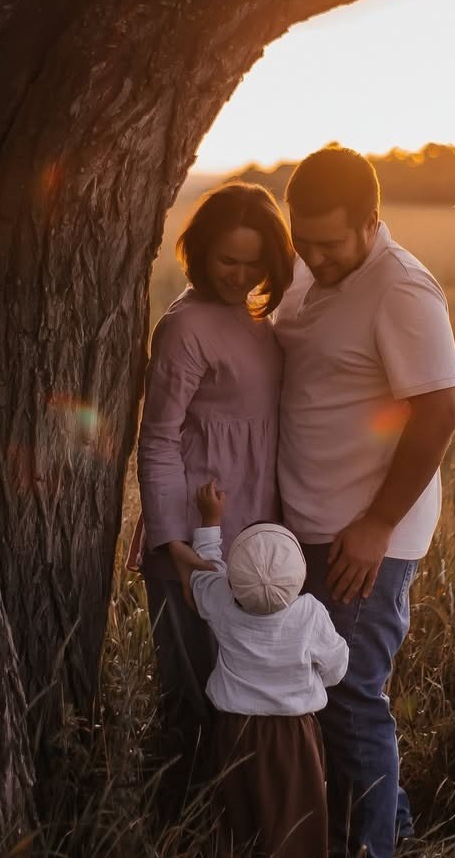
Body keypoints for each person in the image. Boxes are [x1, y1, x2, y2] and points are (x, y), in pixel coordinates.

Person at [274, 146, 455, 858]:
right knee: (322, 693)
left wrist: (376, 524)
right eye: (304, 239)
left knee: (350, 699)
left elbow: (440, 413)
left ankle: (370, 848)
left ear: (370, 223)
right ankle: (392, 826)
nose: (314, 255)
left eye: (329, 243)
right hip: (307, 527)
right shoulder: (309, 272)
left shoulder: (401, 288)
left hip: (363, 536)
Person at [136, 181, 293, 785]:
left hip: (253, 532)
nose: (241, 273)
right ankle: (177, 822)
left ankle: (235, 815)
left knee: (242, 687)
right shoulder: (186, 327)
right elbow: (158, 439)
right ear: (201, 250)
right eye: (229, 259)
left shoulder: (256, 315)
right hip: (194, 543)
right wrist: (170, 539)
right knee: (192, 693)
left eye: (256, 261)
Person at [190, 480, 349, 858]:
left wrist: (210, 522)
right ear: (299, 576)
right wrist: (311, 679)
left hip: (235, 732)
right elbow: (337, 667)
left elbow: (203, 572)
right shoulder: (309, 612)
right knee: (296, 824)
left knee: (238, 821)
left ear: (232, 581)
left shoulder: (221, 602)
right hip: (294, 738)